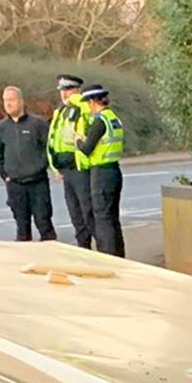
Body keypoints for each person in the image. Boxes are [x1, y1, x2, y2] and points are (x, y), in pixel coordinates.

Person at [0, 85, 56, 242]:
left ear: (21, 101)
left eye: (11, 100)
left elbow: (48, 148)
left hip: (37, 183)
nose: (8, 104)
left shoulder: (37, 124)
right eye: (5, 100)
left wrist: (40, 167)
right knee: (22, 227)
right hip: (15, 185)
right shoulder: (1, 128)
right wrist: (5, 175)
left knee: (43, 222)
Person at [74, 84, 126, 258]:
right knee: (113, 218)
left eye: (88, 103)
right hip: (114, 171)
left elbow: (87, 148)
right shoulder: (113, 118)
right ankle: (119, 255)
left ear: (92, 102)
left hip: (101, 172)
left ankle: (108, 256)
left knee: (102, 218)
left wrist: (79, 141)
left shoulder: (99, 121)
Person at [47, 74, 93, 249]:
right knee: (76, 215)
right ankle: (84, 249)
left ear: (77, 90)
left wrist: (77, 100)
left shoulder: (82, 106)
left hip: (80, 168)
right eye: (62, 90)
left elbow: (88, 117)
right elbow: (53, 139)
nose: (65, 94)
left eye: (68, 90)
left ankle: (96, 251)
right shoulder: (61, 111)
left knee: (87, 212)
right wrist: (54, 165)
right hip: (66, 170)